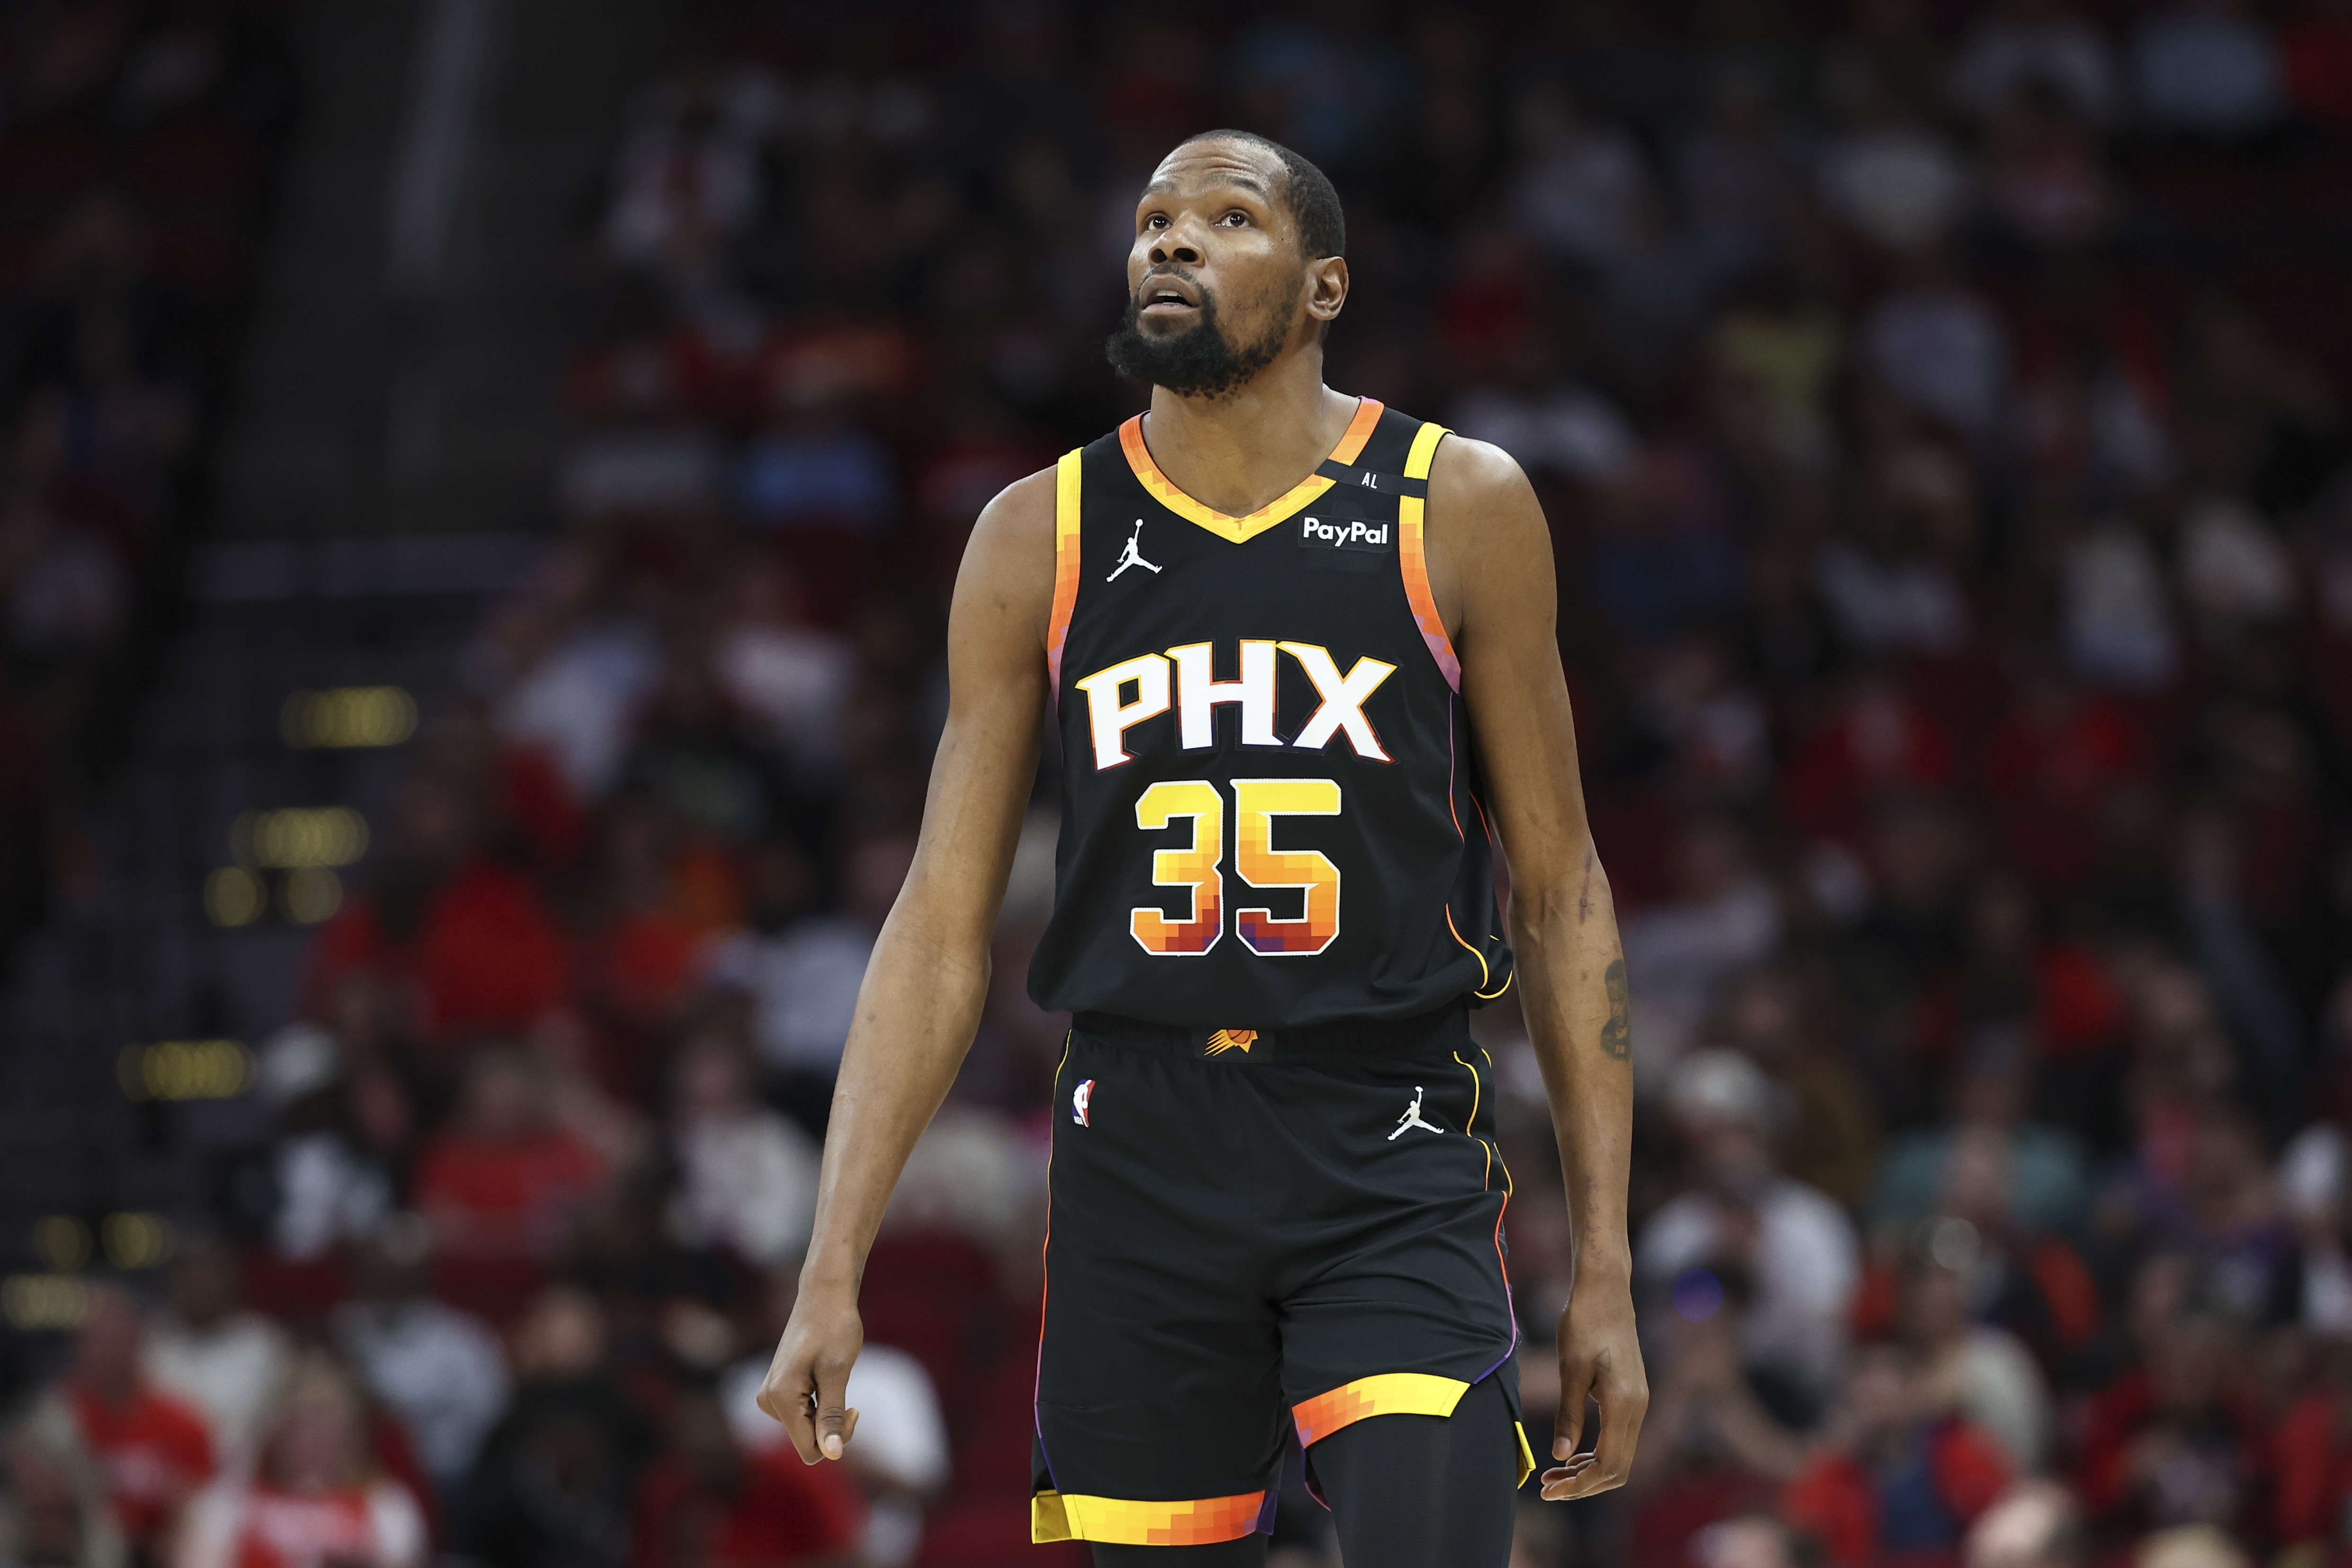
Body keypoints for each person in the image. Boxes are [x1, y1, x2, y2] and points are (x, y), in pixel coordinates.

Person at [755, 129, 1647, 1566]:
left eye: (1229, 217)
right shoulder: (1034, 533)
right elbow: (935, 927)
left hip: (1385, 1130)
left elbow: (1559, 891)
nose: (1172, 238)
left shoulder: (1458, 503)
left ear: (1324, 287)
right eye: (1154, 218)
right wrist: (831, 1262)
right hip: (1138, 1149)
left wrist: (1604, 1264)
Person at [174, 1353, 427, 1568]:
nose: (316, 1435)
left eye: (330, 1421)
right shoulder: (228, 1504)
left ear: (354, 1433)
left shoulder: (387, 1507)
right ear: (278, 1428)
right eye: (303, 1420)